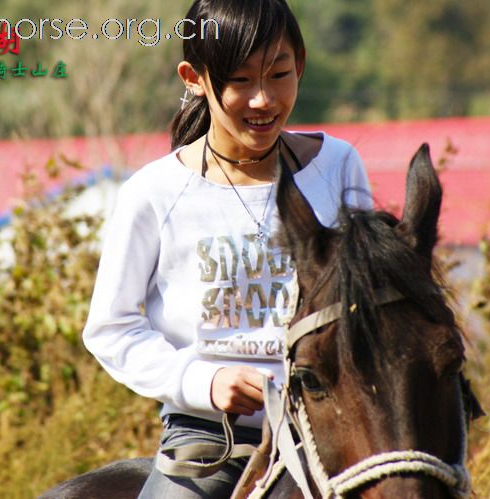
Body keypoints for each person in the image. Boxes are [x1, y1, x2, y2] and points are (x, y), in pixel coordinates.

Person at [82, 0, 373, 497]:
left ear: (300, 65)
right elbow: (111, 329)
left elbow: (372, 303)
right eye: (240, 81)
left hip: (335, 432)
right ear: (194, 77)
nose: (263, 100)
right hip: (209, 442)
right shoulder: (153, 193)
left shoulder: (339, 166)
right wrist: (204, 382)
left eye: (279, 74)